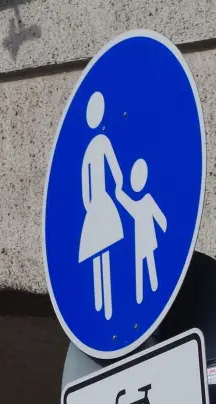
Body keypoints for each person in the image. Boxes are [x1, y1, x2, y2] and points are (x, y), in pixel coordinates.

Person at [77, 91, 126, 322]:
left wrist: (90, 206)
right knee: (104, 250)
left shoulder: (88, 150)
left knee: (98, 252)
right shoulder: (102, 142)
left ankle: (102, 305)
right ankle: (107, 309)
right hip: (103, 202)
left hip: (94, 205)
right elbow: (116, 170)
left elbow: (85, 186)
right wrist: (118, 189)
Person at [115, 158, 168, 307]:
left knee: (150, 265)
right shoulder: (139, 204)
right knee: (139, 267)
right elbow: (130, 206)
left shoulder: (147, 200)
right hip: (139, 242)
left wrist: (165, 229)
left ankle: (155, 292)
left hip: (148, 239)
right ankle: (139, 299)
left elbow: (160, 217)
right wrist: (118, 194)